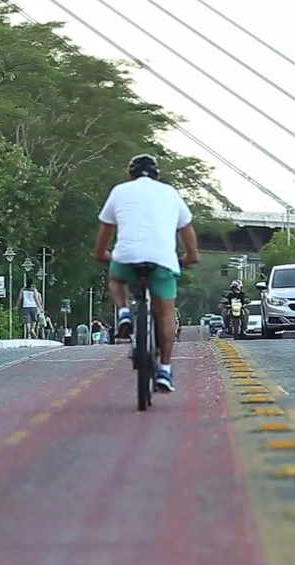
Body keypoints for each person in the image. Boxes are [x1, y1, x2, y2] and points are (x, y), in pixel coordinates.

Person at [92, 153, 199, 392]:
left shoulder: (119, 191)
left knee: (116, 278)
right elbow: (186, 228)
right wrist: (190, 257)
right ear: (157, 175)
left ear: (130, 175)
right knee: (166, 314)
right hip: (162, 261)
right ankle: (165, 370)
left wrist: (101, 254)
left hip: (126, 259)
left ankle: (123, 313)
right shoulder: (170, 193)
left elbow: (106, 230)